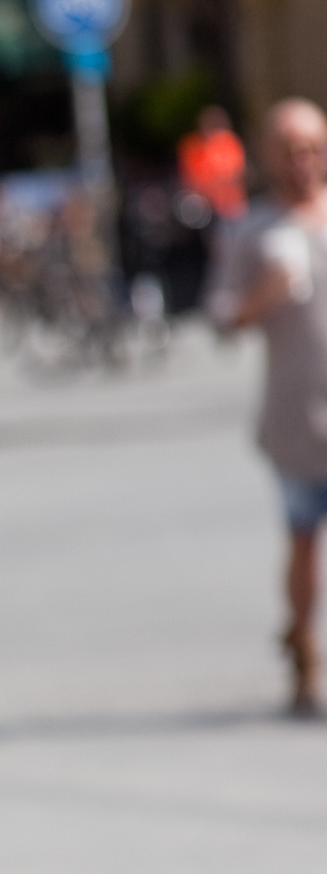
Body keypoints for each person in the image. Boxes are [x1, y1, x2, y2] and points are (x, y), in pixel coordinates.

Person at [214, 98, 327, 714]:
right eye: (289, 151)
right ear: (267, 156)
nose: (301, 161)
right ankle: (303, 646)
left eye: (311, 148)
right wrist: (267, 293)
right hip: (295, 419)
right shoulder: (253, 230)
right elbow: (221, 317)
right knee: (304, 540)